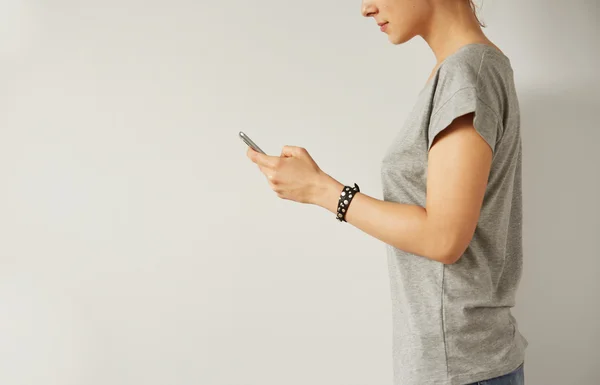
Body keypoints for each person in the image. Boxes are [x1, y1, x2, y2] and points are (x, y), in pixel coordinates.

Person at [246, 0, 528, 384]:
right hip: (463, 361)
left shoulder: (466, 75)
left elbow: (444, 238)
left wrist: (322, 190)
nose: (366, 8)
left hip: (459, 367)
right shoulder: (467, 71)